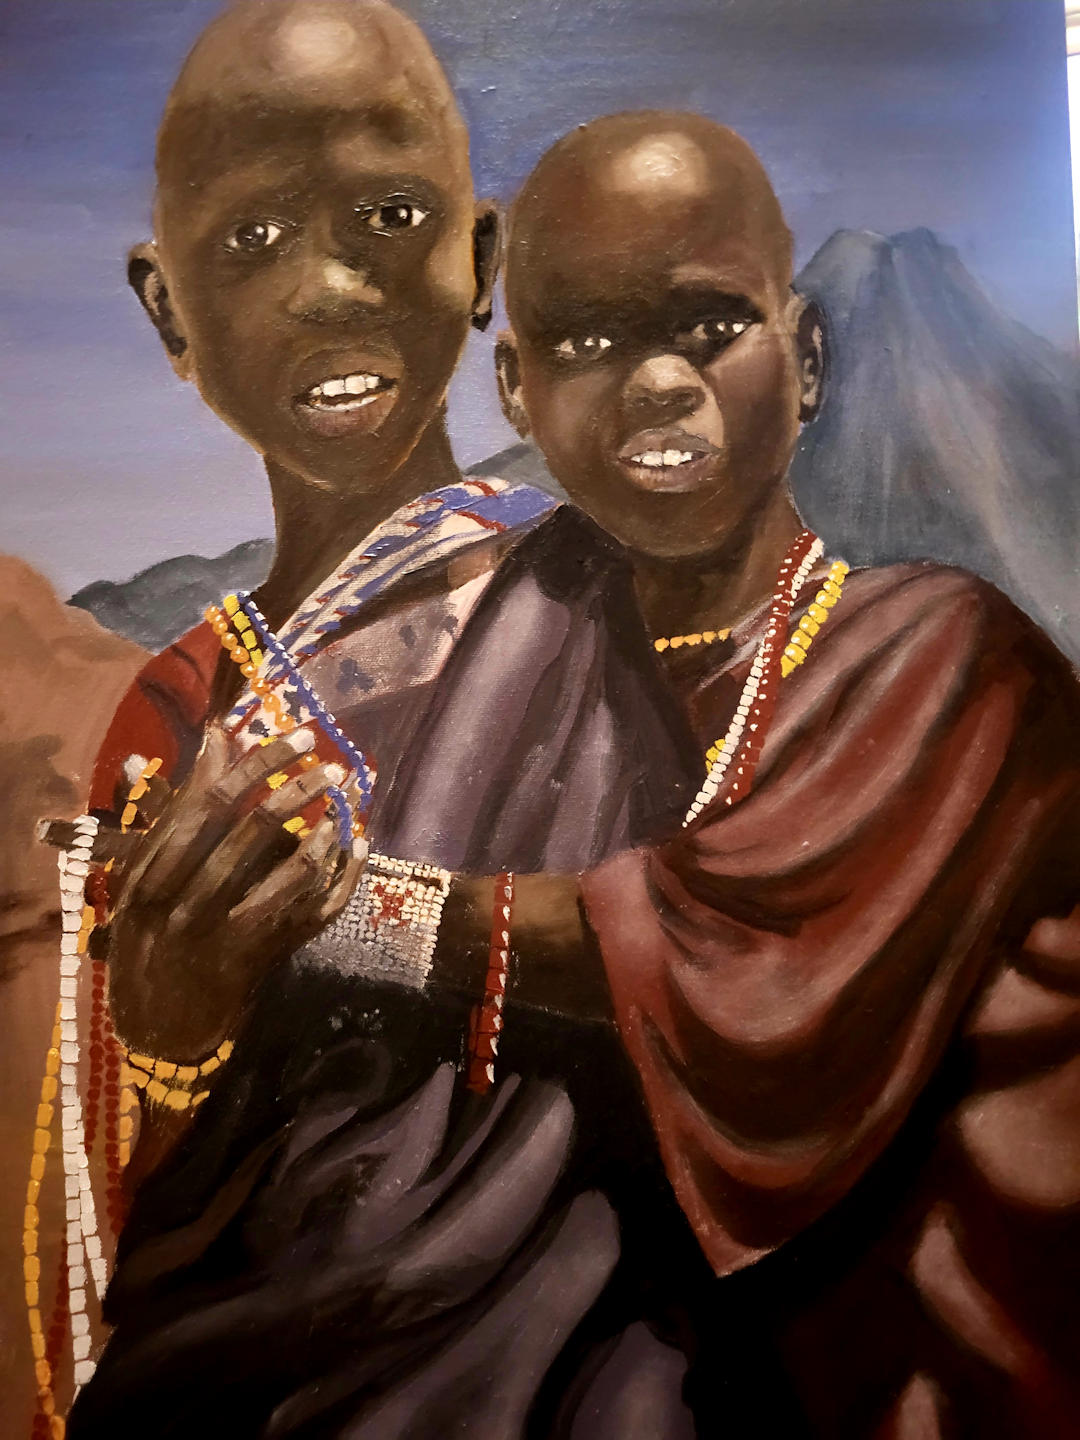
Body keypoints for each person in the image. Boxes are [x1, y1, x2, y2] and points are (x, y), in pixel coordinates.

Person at [69, 111, 1080, 1440]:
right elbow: (298, 1114)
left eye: (708, 324)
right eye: (587, 343)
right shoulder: (450, 673)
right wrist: (190, 992)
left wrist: (335, 915)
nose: (656, 382)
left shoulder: (951, 657)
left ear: (808, 355)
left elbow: (715, 946)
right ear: (518, 397)